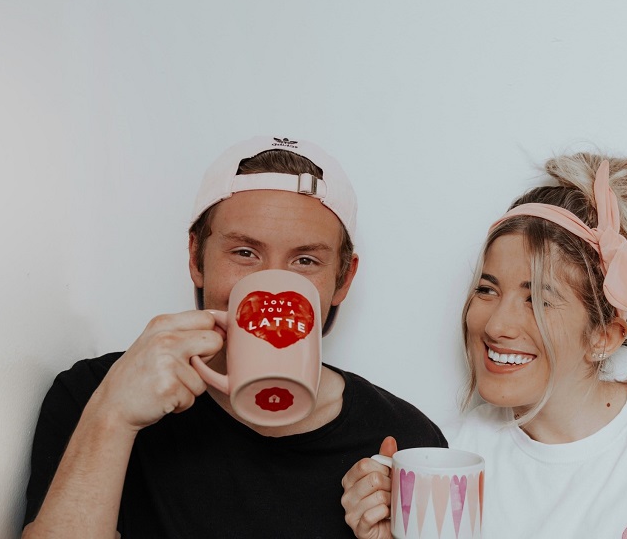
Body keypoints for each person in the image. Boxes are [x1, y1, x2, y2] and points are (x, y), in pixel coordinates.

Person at [22, 136, 446, 538]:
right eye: (245, 252)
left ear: (342, 280)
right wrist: (112, 418)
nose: (273, 285)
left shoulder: (406, 442)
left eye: (305, 260)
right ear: (196, 257)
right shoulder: (94, 396)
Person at [342, 152, 627, 538]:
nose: (497, 325)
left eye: (537, 299)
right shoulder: (448, 459)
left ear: (604, 335)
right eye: (487, 290)